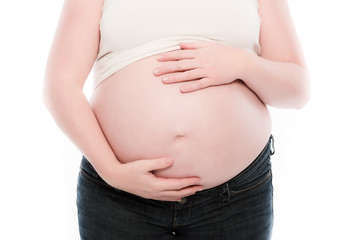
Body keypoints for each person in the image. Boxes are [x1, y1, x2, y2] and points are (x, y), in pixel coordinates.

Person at [43, 0, 310, 239]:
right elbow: (60, 85)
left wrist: (242, 64)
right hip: (119, 196)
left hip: (235, 197)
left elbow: (297, 90)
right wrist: (112, 171)